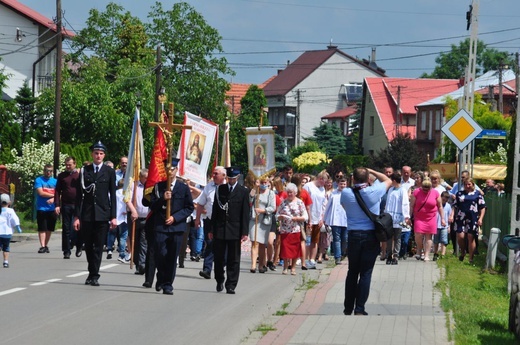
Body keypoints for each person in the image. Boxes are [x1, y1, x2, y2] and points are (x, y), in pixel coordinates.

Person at [340, 167, 391, 316]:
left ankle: (348, 307)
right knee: (366, 273)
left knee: (352, 272)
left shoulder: (346, 193)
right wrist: (372, 171)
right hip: (370, 235)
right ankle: (360, 308)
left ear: (353, 179)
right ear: (367, 178)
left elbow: (344, 207)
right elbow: (387, 180)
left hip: (353, 234)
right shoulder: (374, 191)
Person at [73, 141, 117, 287]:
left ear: (104, 155)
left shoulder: (109, 172)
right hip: (87, 214)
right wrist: (77, 216)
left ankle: (94, 275)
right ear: (92, 154)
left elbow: (113, 195)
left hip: (103, 214)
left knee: (98, 246)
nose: (98, 156)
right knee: (89, 246)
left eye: (101, 153)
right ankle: (91, 271)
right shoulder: (85, 171)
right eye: (96, 153)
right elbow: (79, 196)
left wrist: (113, 216)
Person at [149, 158, 194, 295]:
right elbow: (152, 205)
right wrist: (163, 198)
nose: (170, 172)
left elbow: (189, 207)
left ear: (176, 170)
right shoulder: (158, 186)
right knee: (160, 254)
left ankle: (168, 284)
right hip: (161, 227)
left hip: (176, 227)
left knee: (172, 256)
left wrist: (175, 217)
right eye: (167, 169)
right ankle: (161, 277)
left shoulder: (183, 188)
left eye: (173, 169)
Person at [209, 166, 250, 294]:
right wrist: (211, 229)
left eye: (233, 178)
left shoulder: (243, 191)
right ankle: (219, 279)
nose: (231, 180)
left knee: (234, 258)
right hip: (220, 229)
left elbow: (245, 213)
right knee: (219, 257)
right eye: (229, 178)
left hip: (235, 229)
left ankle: (231, 284)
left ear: (237, 178)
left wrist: (244, 232)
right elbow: (215, 211)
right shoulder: (220, 189)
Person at [196, 166, 226, 279]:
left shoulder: (228, 187)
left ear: (223, 176)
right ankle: (207, 269)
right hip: (209, 221)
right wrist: (197, 218)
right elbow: (200, 204)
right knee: (209, 243)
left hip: (223, 222)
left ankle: (221, 267)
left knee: (222, 245)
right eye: (213, 173)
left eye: (216, 173)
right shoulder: (208, 187)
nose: (213, 175)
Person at [408, 178, 445, 262]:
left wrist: (442, 218)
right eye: (424, 188)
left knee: (429, 236)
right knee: (418, 234)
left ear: (430, 187)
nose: (425, 190)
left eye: (427, 189)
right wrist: (409, 217)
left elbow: (440, 206)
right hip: (419, 217)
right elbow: (411, 205)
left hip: (431, 217)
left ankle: (426, 255)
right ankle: (419, 250)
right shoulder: (417, 192)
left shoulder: (435, 193)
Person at [452, 177, 486, 264]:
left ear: (472, 185)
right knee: (460, 237)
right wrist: (452, 215)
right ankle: (463, 251)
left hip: (472, 218)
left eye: (469, 184)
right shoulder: (459, 194)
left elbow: (482, 207)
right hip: (461, 218)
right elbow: (455, 206)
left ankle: (471, 258)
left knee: (471, 237)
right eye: (465, 184)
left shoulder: (477, 194)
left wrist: (481, 218)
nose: (467, 186)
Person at [276, 183, 308, 275]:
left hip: (296, 229)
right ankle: (285, 267)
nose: (289, 194)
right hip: (285, 229)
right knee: (285, 249)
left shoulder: (300, 203)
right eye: (288, 192)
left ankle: (293, 268)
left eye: (291, 192)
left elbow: (305, 216)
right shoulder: (283, 202)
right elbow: (277, 215)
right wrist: (280, 217)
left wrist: (297, 218)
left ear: (295, 193)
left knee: (295, 250)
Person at [248, 177, 276, 273]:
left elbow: (273, 207)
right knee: (254, 242)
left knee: (262, 244)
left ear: (268, 182)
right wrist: (255, 187)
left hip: (265, 220)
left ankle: (261, 265)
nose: (263, 184)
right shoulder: (256, 191)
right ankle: (253, 265)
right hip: (254, 220)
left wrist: (263, 210)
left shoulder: (271, 193)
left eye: (265, 182)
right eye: (262, 182)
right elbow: (249, 199)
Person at [54, 157, 80, 259]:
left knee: (77, 228)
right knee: (66, 228)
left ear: (75, 164)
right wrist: (57, 205)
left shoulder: (79, 175)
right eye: (66, 165)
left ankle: (77, 245)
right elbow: (57, 191)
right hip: (66, 205)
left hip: (78, 205)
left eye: (70, 164)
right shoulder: (62, 176)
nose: (68, 166)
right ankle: (66, 250)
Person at [303, 170, 328, 269]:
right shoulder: (308, 186)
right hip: (308, 217)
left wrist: (322, 218)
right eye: (324, 181)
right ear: (320, 179)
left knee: (315, 240)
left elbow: (323, 204)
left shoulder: (322, 189)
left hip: (318, 218)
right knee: (307, 240)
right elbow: (304, 201)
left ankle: (312, 259)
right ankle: (304, 259)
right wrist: (307, 217)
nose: (325, 184)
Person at [126, 169, 149, 275]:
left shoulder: (150, 186)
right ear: (140, 177)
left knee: (144, 242)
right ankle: (137, 263)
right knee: (134, 240)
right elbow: (127, 199)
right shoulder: (133, 185)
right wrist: (133, 211)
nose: (147, 179)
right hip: (134, 218)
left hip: (146, 218)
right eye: (145, 177)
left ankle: (142, 264)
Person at [384, 172, 410, 265]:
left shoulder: (402, 190)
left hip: (398, 217)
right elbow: (388, 203)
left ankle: (396, 256)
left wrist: (406, 216)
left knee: (397, 237)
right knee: (389, 237)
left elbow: (405, 203)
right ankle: (389, 255)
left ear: (394, 181)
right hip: (389, 216)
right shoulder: (390, 190)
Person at [323, 178, 348, 265]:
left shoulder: (349, 194)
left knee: (345, 238)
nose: (343, 186)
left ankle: (343, 253)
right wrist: (325, 219)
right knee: (337, 239)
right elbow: (328, 207)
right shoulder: (333, 194)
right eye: (341, 184)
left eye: (344, 184)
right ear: (338, 184)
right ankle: (337, 257)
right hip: (336, 220)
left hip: (346, 220)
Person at [35, 164, 57, 253]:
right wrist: (54, 196)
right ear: (44, 171)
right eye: (47, 171)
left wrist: (54, 198)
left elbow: (60, 193)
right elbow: (41, 193)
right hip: (42, 208)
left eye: (50, 171)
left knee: (49, 228)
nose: (48, 173)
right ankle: (42, 246)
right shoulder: (39, 180)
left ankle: (46, 245)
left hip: (52, 208)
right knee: (42, 228)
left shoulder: (55, 181)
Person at [107, 179, 129, 263]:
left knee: (111, 234)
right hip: (123, 218)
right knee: (123, 237)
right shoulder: (126, 194)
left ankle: (109, 249)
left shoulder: (113, 194)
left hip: (114, 217)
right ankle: (121, 253)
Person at [0, 194, 22, 268]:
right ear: (9, 202)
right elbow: (14, 220)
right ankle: (5, 262)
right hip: (7, 233)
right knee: (6, 247)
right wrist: (17, 227)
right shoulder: (10, 211)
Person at [433, 191, 452, 261]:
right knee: (436, 240)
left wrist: (449, 226)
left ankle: (443, 254)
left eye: (446, 200)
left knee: (444, 240)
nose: (444, 201)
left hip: (444, 226)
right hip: (436, 225)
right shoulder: (436, 205)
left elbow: (449, 216)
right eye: (443, 200)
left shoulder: (448, 206)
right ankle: (435, 253)